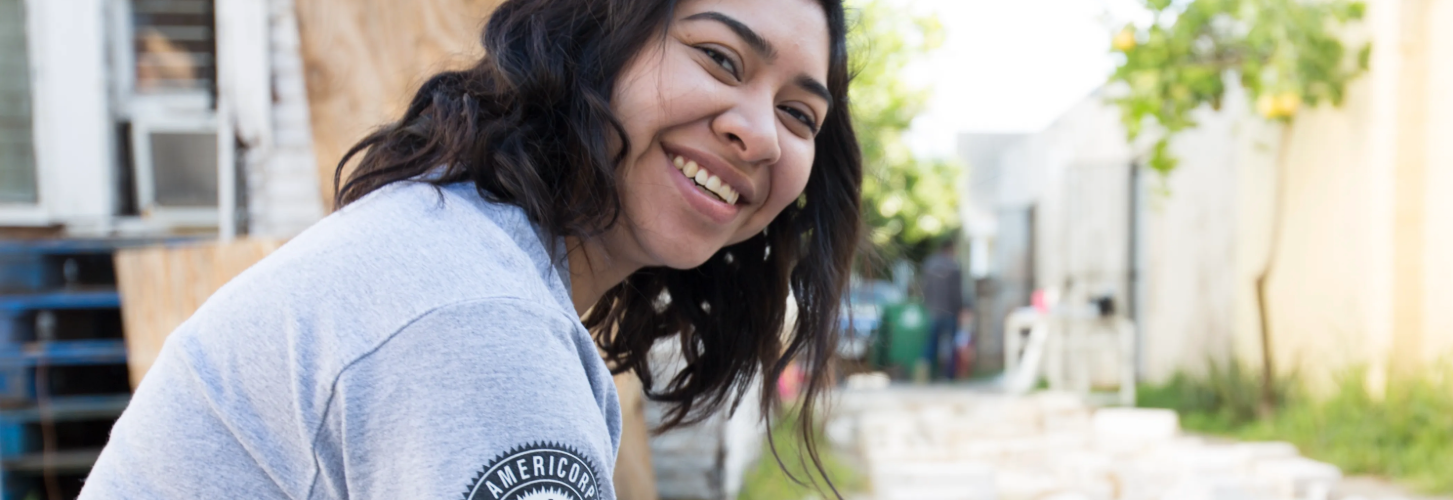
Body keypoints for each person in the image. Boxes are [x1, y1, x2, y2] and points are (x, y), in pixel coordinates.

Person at [82, 0, 860, 498]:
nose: (758, 132)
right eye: (720, 58)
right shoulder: (477, 322)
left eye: (799, 114)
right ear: (597, 35)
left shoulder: (458, 246)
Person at [919, 239, 965, 380]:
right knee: (950, 344)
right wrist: (961, 308)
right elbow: (956, 292)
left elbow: (924, 288)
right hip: (949, 311)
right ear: (950, 249)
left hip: (933, 311)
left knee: (931, 342)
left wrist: (927, 304)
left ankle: (923, 374)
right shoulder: (953, 266)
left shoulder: (929, 264)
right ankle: (948, 376)